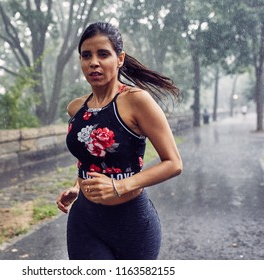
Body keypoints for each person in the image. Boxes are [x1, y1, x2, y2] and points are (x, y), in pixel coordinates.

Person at [56, 22, 182, 260]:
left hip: (132, 225)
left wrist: (118, 186)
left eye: (103, 54)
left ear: (120, 58)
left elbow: (174, 163)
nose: (94, 62)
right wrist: (77, 186)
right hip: (85, 223)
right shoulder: (76, 108)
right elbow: (90, 156)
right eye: (86, 55)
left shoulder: (137, 101)